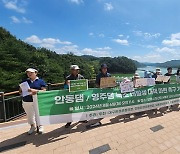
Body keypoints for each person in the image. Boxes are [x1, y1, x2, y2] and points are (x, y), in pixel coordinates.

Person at [19, 68, 46, 135]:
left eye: (31, 72)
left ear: (35, 73)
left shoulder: (40, 81)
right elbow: (20, 91)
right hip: (26, 100)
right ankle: (32, 126)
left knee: (38, 114)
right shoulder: (25, 81)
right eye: (28, 73)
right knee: (30, 115)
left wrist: (34, 91)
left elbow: (44, 91)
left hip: (37, 100)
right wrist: (21, 90)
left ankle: (40, 126)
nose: (29, 74)